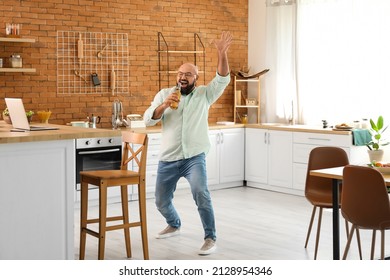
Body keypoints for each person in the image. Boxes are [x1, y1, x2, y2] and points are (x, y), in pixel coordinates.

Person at [143, 31, 233, 255]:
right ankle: (174, 223)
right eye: (181, 73)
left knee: (201, 193)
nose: (183, 77)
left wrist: (221, 53)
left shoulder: (204, 95)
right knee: (161, 201)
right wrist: (164, 105)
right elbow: (147, 119)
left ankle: (210, 237)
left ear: (196, 79)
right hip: (169, 158)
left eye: (189, 74)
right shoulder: (165, 93)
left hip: (194, 157)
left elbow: (222, 79)